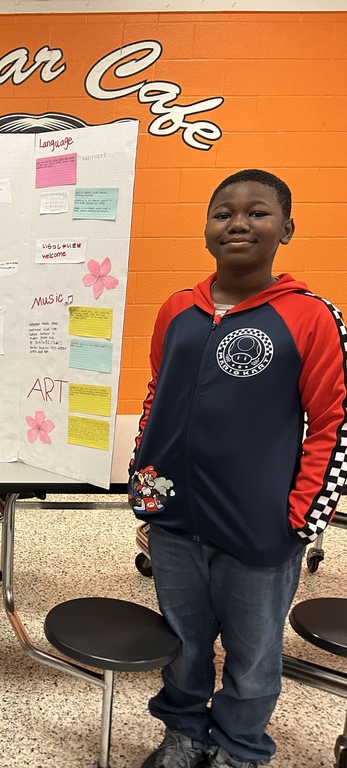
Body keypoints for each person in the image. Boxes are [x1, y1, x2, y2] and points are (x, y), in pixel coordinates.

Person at [130, 169, 347, 768]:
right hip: (173, 518)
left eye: (258, 213)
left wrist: (302, 519)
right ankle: (184, 733)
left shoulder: (311, 317)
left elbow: (334, 424)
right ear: (206, 229)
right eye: (223, 212)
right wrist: (142, 479)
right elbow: (158, 395)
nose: (239, 223)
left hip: (261, 525)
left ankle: (239, 747)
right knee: (183, 642)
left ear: (287, 228)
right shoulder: (178, 309)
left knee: (252, 656)